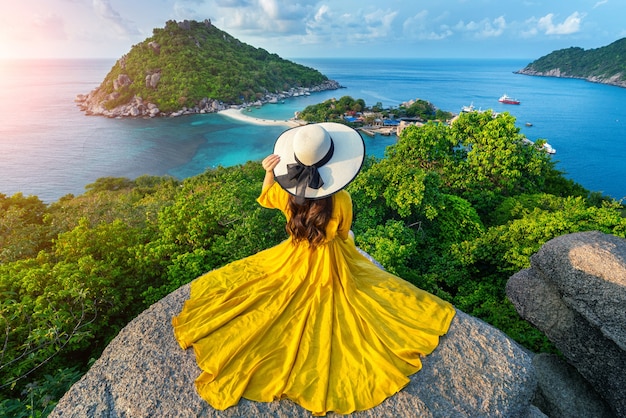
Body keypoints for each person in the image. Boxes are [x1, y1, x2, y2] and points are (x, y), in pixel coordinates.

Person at [172, 122, 456, 416]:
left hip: (292, 257)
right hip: (330, 265)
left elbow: (267, 197)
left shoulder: (287, 194)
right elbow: (344, 235)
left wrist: (269, 172)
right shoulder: (342, 199)